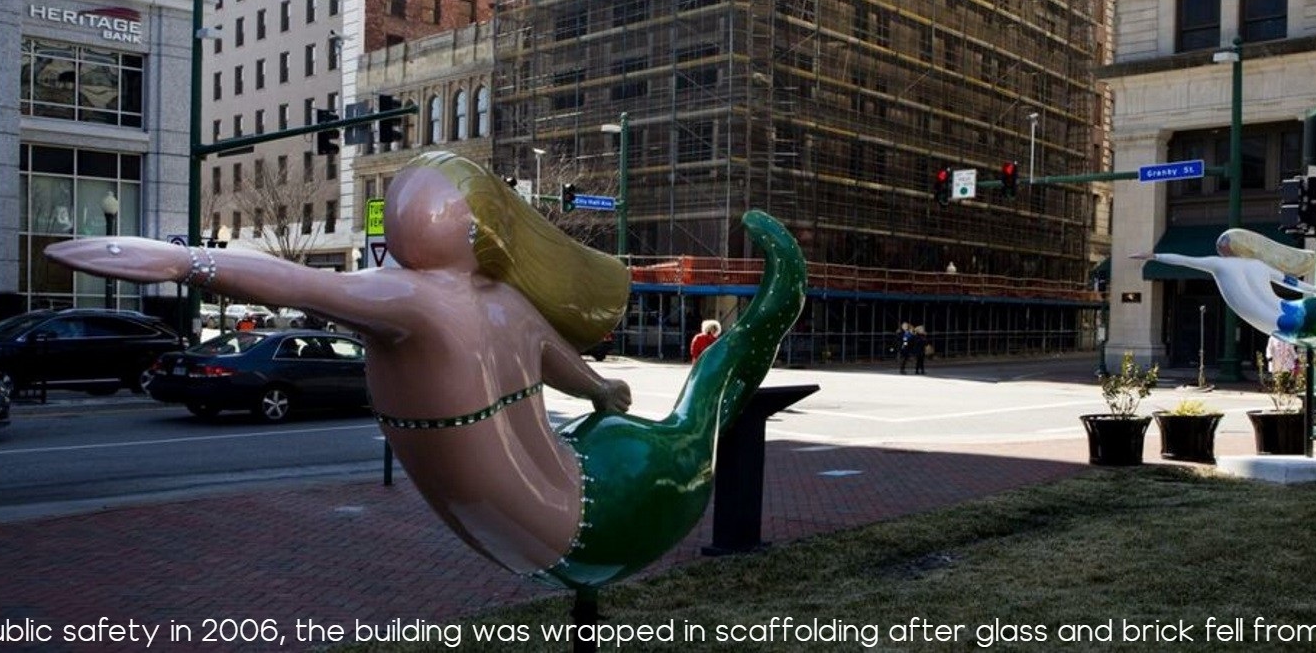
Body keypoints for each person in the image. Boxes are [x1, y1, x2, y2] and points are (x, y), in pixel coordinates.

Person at [46, 149, 805, 593]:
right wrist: (602, 390)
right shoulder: (472, 300)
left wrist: (188, 261)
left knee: (708, 396)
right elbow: (572, 370)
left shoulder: (423, 301)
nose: (405, 218)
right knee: (706, 397)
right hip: (581, 508)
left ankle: (778, 295)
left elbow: (298, 283)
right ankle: (777, 300)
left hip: (585, 512)